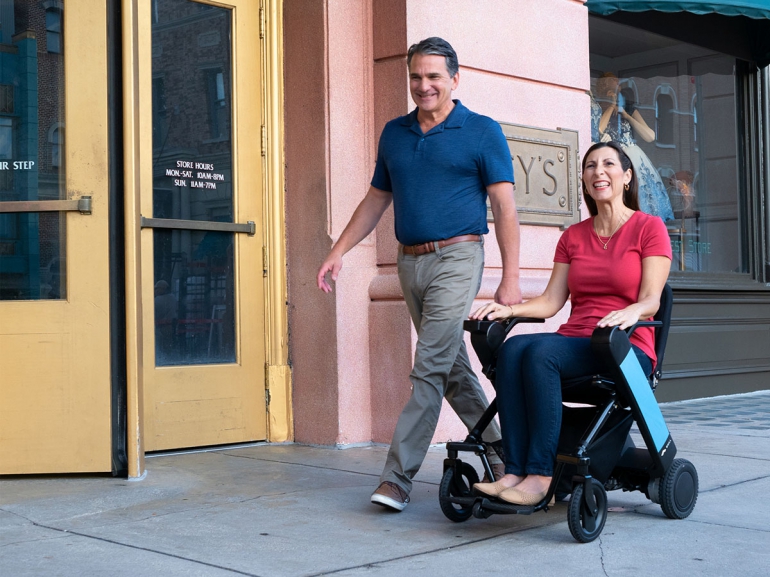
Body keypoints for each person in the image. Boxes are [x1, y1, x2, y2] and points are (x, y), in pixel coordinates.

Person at [316, 37, 521, 512]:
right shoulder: (395, 133)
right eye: (416, 76)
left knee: (427, 366)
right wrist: (339, 250)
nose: (423, 85)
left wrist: (509, 278)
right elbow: (375, 200)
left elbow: (505, 208)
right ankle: (503, 450)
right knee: (450, 369)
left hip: (458, 257)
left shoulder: (482, 131)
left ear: (454, 78)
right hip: (410, 262)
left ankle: (397, 478)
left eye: (433, 76)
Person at [469, 141, 671, 505]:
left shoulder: (649, 228)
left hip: (622, 347)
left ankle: (541, 476)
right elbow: (551, 301)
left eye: (608, 164)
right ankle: (514, 470)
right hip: (575, 341)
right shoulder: (573, 236)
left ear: (626, 176)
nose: (598, 172)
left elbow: (653, 299)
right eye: (590, 166)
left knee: (541, 353)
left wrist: (631, 312)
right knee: (513, 347)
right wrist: (508, 310)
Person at [592, 73, 675, 222]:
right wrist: (611, 106)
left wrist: (626, 115)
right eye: (612, 83)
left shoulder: (628, 108)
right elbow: (598, 129)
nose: (616, 86)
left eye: (617, 84)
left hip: (632, 155)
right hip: (613, 157)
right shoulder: (600, 107)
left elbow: (650, 136)